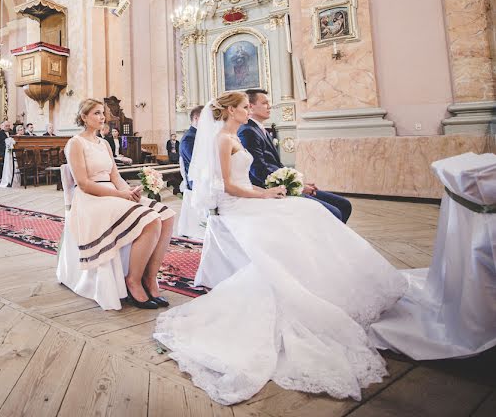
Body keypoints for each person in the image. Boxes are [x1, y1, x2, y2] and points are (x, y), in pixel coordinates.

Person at [153, 91, 406, 405]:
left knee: (308, 212)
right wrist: (264, 196)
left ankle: (325, 283)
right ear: (231, 110)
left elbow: (244, 179)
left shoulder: (235, 136)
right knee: (303, 216)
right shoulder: (222, 140)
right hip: (237, 208)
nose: (248, 111)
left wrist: (268, 191)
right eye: (245, 107)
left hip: (250, 200)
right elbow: (226, 186)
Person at [65, 99, 176, 309]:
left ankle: (149, 278)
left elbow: (115, 176)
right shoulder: (75, 143)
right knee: (151, 220)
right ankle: (132, 281)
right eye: (97, 113)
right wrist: (119, 195)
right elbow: (84, 184)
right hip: (91, 198)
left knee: (167, 216)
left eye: (102, 113)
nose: (102, 117)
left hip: (113, 193)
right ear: (84, 117)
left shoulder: (104, 143)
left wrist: (129, 192)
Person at [239, 89, 352, 223]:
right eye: (264, 103)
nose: (269, 107)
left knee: (344, 205)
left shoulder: (259, 129)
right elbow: (258, 171)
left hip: (283, 183)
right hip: (272, 189)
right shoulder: (248, 132)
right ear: (251, 107)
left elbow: (277, 166)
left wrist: (298, 182)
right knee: (335, 212)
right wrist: (295, 186)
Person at [179, 106, 202, 191]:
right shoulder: (189, 138)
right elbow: (196, 163)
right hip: (196, 184)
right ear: (196, 118)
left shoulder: (197, 135)